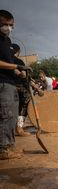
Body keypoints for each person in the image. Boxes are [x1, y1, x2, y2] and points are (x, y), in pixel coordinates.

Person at [0, 10, 31, 159]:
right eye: (4, 24)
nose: (7, 27)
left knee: (11, 115)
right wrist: (15, 67)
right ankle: (4, 149)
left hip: (10, 82)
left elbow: (10, 63)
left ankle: (9, 146)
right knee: (6, 114)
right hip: (2, 83)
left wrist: (20, 72)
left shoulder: (6, 41)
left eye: (10, 25)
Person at [11, 43, 30, 137]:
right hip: (19, 88)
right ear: (18, 52)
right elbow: (24, 76)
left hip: (6, 87)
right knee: (23, 107)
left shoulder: (5, 60)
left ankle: (10, 130)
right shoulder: (18, 61)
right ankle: (19, 128)